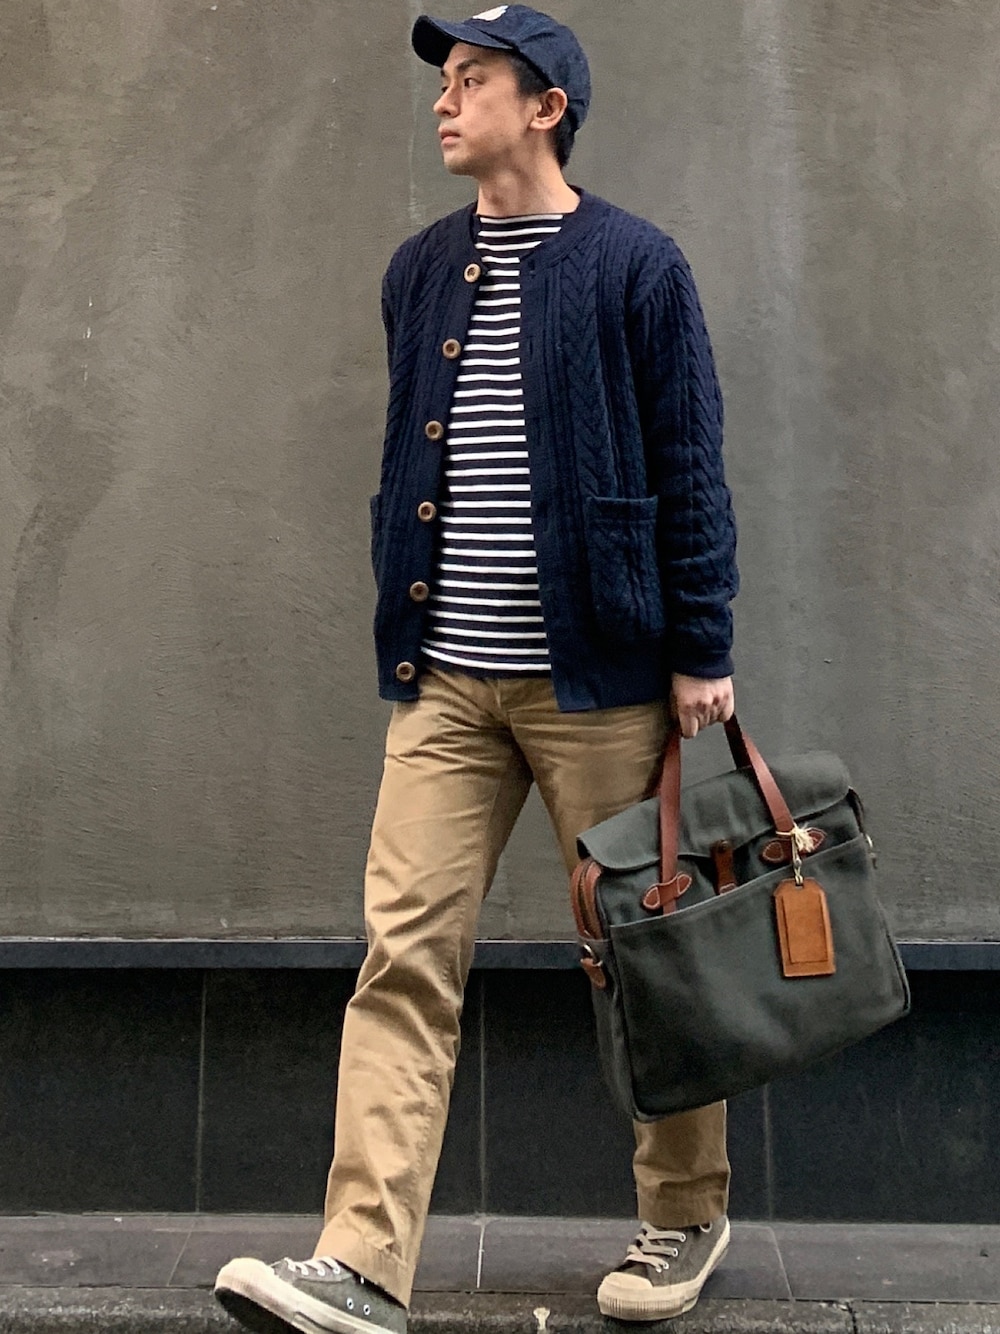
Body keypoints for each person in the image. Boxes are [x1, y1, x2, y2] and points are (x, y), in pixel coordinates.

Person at [215, 6, 738, 1332]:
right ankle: (360, 1262)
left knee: (648, 957)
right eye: (443, 81)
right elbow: (414, 456)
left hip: (599, 683)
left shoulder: (636, 265)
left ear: (546, 105)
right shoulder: (420, 270)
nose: (446, 102)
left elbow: (690, 465)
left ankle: (685, 1213)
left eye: (473, 79)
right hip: (445, 683)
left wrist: (702, 649)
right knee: (403, 954)